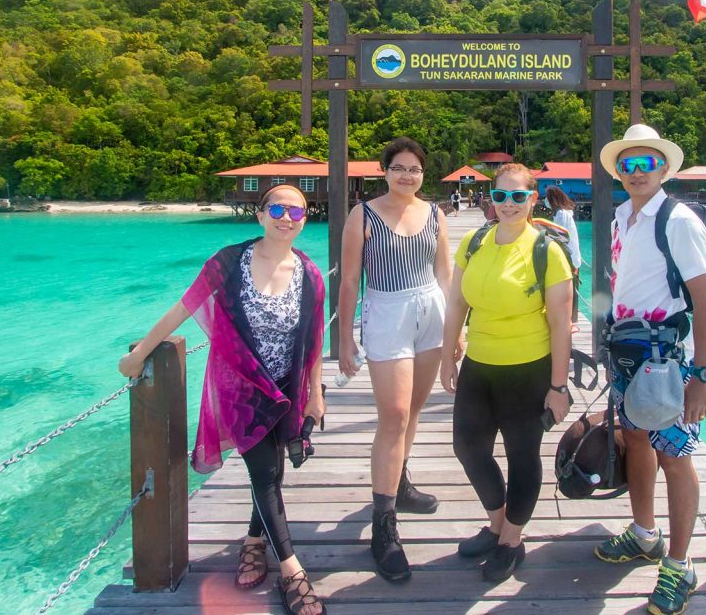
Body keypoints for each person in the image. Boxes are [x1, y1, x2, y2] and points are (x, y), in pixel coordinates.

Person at [118, 184, 327, 615]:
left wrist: (314, 395)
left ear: (305, 219)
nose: (287, 217)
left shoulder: (309, 273)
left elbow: (314, 341)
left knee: (273, 469)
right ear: (260, 215)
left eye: (297, 211)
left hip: (285, 389)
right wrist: (139, 354)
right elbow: (183, 307)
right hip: (240, 389)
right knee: (266, 473)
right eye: (277, 208)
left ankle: (254, 543)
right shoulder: (229, 261)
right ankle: (292, 570)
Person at [592, 124, 706, 615]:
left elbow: (705, 302)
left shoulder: (678, 220)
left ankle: (680, 564)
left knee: (675, 456)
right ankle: (645, 534)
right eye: (627, 164)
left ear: (664, 168)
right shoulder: (624, 217)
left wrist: (701, 376)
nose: (635, 172)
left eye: (646, 163)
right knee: (637, 440)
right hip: (629, 355)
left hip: (668, 361)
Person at [440, 163, 573, 583]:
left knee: (521, 456)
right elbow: (457, 303)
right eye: (501, 196)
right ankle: (498, 523)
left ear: (533, 199)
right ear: (490, 200)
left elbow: (560, 324)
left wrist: (558, 387)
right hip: (480, 363)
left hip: (528, 368)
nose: (509, 204)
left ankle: (512, 541)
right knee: (467, 446)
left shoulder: (547, 251)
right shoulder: (477, 241)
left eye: (518, 196)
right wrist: (448, 356)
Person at [338, 137, 452, 582]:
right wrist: (344, 337)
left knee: (416, 410)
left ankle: (399, 484)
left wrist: (454, 327)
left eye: (416, 169)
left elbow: (445, 273)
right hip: (385, 311)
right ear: (384, 171)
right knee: (394, 416)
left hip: (430, 311)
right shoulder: (362, 215)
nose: (408, 175)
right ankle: (383, 527)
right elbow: (349, 281)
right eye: (399, 167)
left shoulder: (436, 214)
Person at [544, 185, 583, 324]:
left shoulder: (561, 214)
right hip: (569, 256)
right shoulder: (562, 213)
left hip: (568, 257)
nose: (545, 201)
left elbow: (559, 236)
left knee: (566, 290)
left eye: (547, 198)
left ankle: (567, 320)